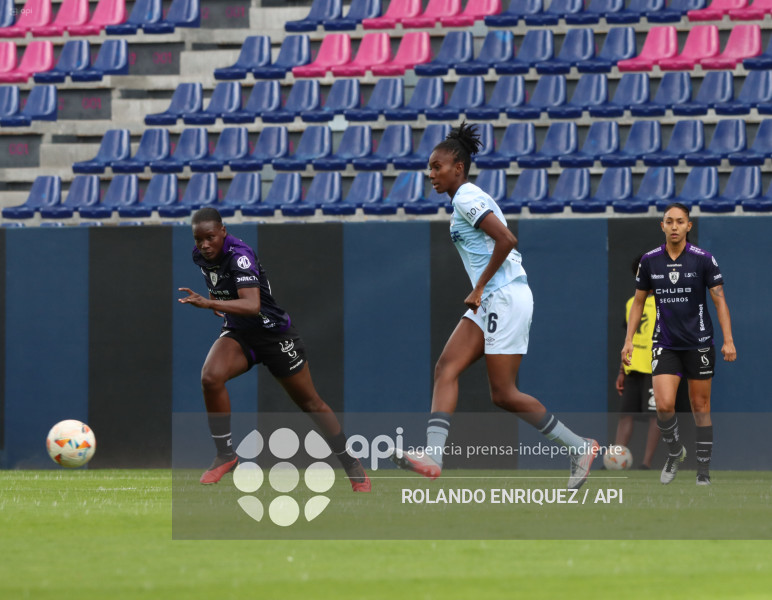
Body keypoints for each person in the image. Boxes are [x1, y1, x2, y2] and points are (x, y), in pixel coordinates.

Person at [390, 122, 599, 490]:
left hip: (503, 295)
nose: (431, 174)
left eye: (437, 167)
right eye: (430, 167)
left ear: (458, 167)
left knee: (503, 393)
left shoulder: (467, 198)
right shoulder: (464, 200)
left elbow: (506, 239)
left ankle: (579, 447)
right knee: (446, 367)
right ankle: (433, 457)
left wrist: (480, 286)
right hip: (491, 298)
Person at [178, 207, 370, 491]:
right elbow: (220, 285)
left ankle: (352, 464)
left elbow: (252, 306)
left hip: (274, 335)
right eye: (198, 239)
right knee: (210, 376)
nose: (204, 245)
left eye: (210, 237)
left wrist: (211, 304)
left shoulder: (239, 256)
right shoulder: (201, 256)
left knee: (311, 403)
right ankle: (225, 455)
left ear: (223, 232)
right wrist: (217, 299)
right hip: (240, 333)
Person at [621, 202, 736, 485]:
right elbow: (638, 302)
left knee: (700, 408)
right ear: (662, 225)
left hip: (699, 344)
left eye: (680, 221)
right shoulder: (650, 261)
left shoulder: (703, 259)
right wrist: (628, 342)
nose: (674, 226)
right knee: (663, 405)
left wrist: (728, 340)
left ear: (688, 226)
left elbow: (719, 301)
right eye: (669, 221)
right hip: (666, 343)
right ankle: (674, 451)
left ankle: (703, 472)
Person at [614, 255, 660, 469]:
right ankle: (615, 460)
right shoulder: (631, 303)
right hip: (632, 368)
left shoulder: (663, 302)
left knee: (655, 416)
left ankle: (646, 464)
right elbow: (628, 339)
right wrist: (621, 371)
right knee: (626, 414)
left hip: (655, 368)